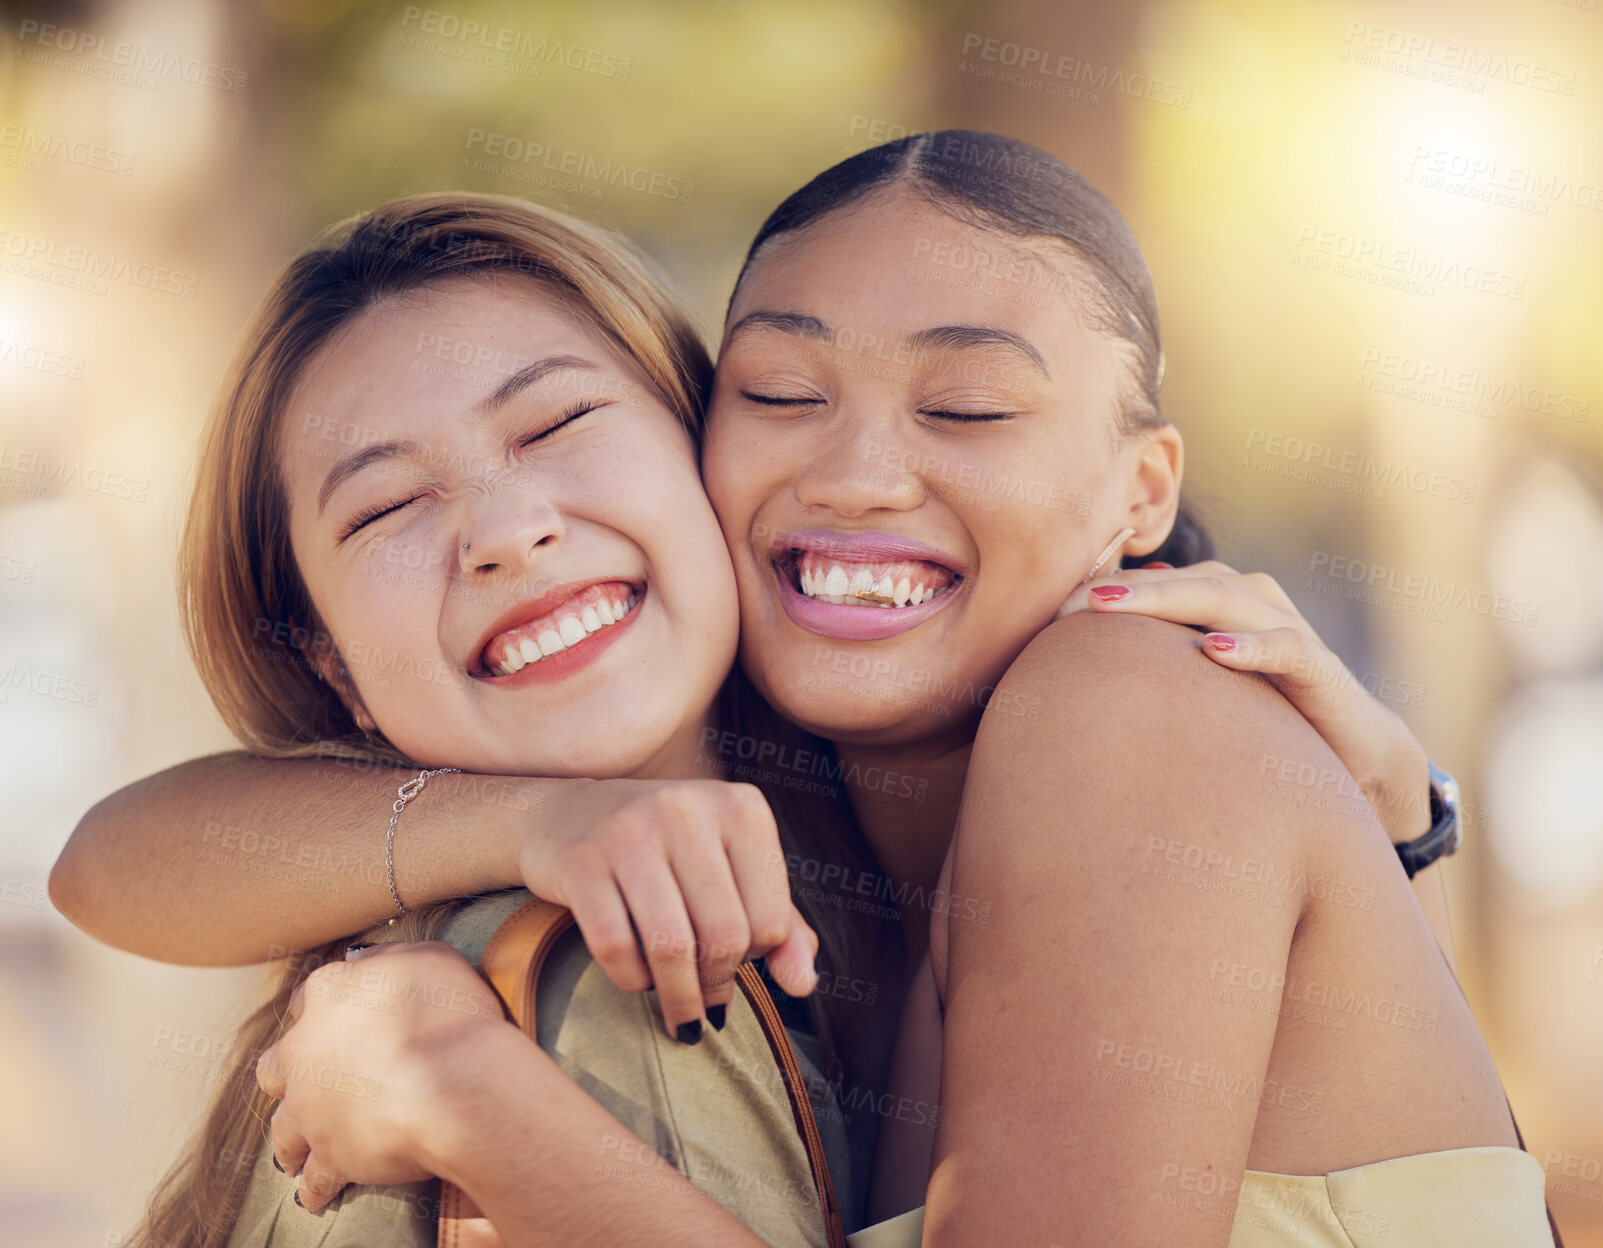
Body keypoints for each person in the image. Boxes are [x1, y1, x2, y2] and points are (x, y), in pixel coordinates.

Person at [54, 135, 1528, 1245]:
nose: (857, 471)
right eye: (778, 394)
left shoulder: (1121, 703)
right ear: (710, 454)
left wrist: (475, 1104)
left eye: (966, 405)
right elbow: (112, 859)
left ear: (1141, 493)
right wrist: (527, 824)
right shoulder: (795, 890)